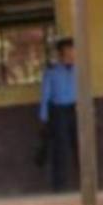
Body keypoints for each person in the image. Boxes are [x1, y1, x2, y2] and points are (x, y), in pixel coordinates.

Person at [39, 37, 78, 192]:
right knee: (61, 150)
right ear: (61, 55)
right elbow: (45, 96)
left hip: (76, 110)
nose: (72, 56)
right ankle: (60, 186)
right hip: (59, 112)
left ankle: (86, 184)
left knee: (81, 147)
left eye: (73, 52)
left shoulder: (79, 70)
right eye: (68, 53)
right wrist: (43, 119)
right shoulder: (52, 72)